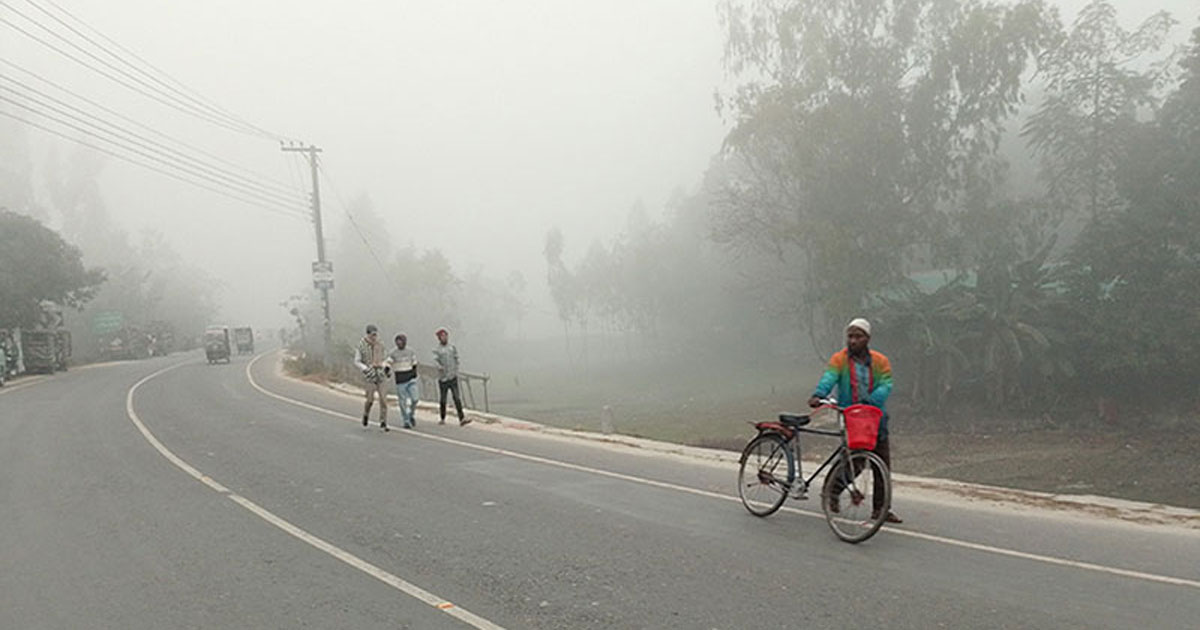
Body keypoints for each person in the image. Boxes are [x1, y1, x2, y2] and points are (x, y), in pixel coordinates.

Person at [807, 317, 901, 524]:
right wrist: (818, 394)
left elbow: (886, 384)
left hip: (875, 420)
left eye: (858, 337)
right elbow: (829, 378)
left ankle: (881, 509)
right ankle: (832, 492)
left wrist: (871, 400)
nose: (853, 341)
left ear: (867, 338)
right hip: (851, 418)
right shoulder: (839, 360)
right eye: (850, 336)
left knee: (882, 465)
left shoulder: (880, 361)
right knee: (854, 462)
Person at [354, 324, 390, 431]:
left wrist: (385, 366)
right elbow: (357, 361)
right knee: (370, 400)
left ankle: (383, 421)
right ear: (368, 334)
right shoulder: (361, 345)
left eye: (375, 334)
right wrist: (365, 368)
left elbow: (386, 358)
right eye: (372, 335)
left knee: (383, 399)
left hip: (381, 374)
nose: (374, 337)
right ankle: (366, 414)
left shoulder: (380, 344)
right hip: (370, 375)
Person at [432, 327, 470, 426]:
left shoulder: (452, 347)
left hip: (452, 377)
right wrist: (439, 367)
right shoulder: (437, 350)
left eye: (445, 336)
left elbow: (456, 358)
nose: (444, 338)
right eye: (442, 336)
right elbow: (435, 361)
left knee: (457, 398)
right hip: (443, 378)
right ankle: (442, 417)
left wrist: (456, 369)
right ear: (439, 338)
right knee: (443, 399)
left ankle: (461, 418)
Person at [385, 333, 419, 429]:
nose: (399, 344)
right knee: (402, 401)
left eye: (401, 342)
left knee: (415, 399)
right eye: (397, 342)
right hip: (400, 380)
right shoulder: (393, 353)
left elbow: (414, 363)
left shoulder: (410, 351)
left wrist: (414, 372)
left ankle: (411, 414)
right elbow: (388, 363)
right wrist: (387, 371)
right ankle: (406, 420)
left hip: (411, 379)